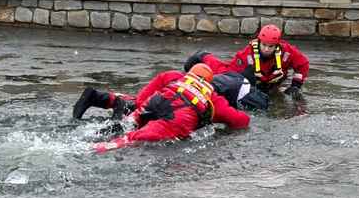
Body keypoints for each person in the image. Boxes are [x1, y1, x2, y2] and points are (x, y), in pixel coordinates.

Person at [91, 63, 250, 154]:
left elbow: (141, 99)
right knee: (134, 138)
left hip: (159, 100)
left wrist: (138, 107)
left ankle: (94, 135)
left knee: (127, 124)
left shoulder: (175, 77)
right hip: (180, 115)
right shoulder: (213, 98)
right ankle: (95, 149)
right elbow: (241, 121)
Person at [73, 66, 268, 121]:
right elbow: (240, 120)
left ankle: (99, 97)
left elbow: (203, 57)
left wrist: (141, 101)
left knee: (139, 103)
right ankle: (119, 118)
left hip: (173, 82)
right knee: (145, 116)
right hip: (187, 99)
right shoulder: (216, 97)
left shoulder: (225, 72)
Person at [185, 24, 310, 97]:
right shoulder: (247, 55)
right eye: (264, 45)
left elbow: (303, 65)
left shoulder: (287, 52)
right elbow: (231, 76)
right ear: (259, 42)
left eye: (270, 46)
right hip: (250, 77)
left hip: (270, 83)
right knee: (222, 73)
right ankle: (204, 56)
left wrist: (296, 85)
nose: (266, 49)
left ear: (277, 45)